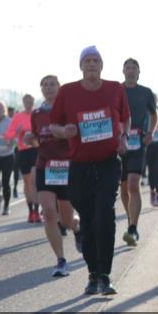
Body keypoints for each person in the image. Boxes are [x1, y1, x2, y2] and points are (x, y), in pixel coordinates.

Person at [50, 46, 130, 296]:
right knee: (87, 221)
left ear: (102, 65)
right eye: (87, 60)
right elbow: (54, 125)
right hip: (79, 166)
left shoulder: (115, 88)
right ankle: (92, 272)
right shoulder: (67, 92)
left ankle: (105, 275)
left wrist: (124, 137)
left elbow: (126, 118)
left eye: (96, 60)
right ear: (81, 66)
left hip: (107, 162)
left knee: (104, 216)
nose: (92, 64)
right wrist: (64, 132)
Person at [26, 75, 81, 276]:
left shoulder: (67, 110)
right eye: (45, 85)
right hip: (44, 166)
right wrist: (30, 138)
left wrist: (68, 132)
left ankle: (77, 229)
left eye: (52, 84)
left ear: (59, 88)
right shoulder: (37, 113)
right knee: (48, 213)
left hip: (66, 167)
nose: (48, 88)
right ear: (41, 89)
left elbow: (76, 136)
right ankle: (61, 260)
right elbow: (36, 140)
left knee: (66, 220)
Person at [119, 58, 157, 247]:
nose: (131, 70)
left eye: (134, 67)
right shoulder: (116, 91)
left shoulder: (145, 92)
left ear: (139, 71)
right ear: (123, 71)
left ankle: (133, 228)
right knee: (124, 188)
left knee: (134, 185)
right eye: (128, 67)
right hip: (119, 144)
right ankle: (130, 219)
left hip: (138, 143)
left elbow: (153, 114)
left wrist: (150, 132)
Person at [7, 94, 41, 222]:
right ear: (23, 102)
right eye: (25, 101)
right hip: (23, 151)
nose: (28, 103)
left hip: (36, 150)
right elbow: (8, 135)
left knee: (34, 181)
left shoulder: (37, 114)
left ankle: (37, 211)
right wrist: (17, 131)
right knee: (27, 183)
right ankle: (30, 211)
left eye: (30, 101)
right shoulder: (17, 116)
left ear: (33, 102)